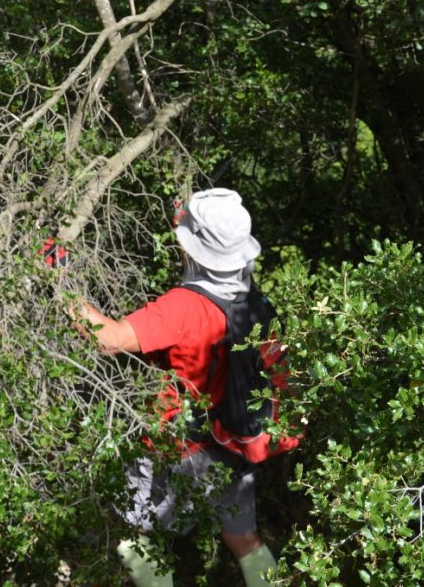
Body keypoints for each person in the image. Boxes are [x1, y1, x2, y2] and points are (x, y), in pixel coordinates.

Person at [71, 188, 279, 587]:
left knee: (140, 540)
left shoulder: (184, 307)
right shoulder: (254, 303)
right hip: (233, 447)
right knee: (246, 542)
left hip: (175, 447)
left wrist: (61, 281)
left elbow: (108, 339)